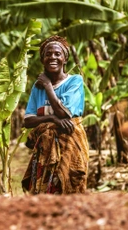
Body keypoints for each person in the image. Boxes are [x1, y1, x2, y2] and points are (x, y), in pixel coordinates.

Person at [22, 35, 89, 195]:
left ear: (65, 59)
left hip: (70, 142)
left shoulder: (75, 81)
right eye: (48, 54)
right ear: (43, 59)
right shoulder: (37, 88)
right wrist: (51, 119)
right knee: (43, 190)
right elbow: (28, 120)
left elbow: (64, 113)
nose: (52, 57)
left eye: (57, 54)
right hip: (44, 146)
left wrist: (47, 85)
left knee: (69, 184)